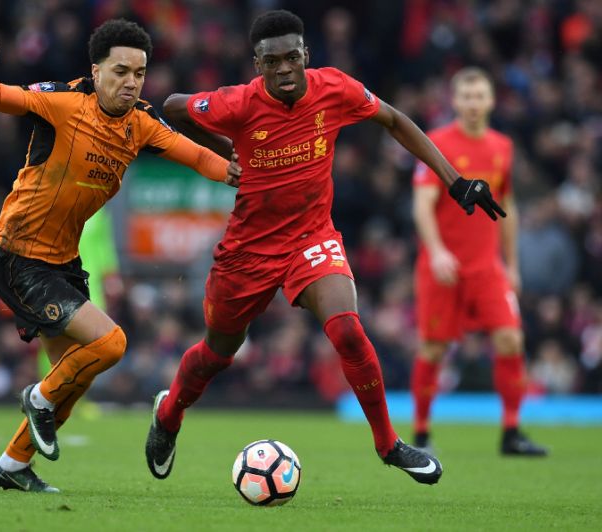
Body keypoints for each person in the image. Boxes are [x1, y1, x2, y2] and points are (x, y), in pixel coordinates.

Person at [145, 10, 505, 486]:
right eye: (272, 61)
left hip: (311, 237)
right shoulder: (237, 103)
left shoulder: (334, 87)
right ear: (258, 65)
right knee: (217, 353)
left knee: (348, 330)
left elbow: (394, 120)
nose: (284, 69)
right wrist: (219, 148)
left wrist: (455, 182)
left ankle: (388, 444)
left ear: (305, 55)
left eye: (292, 57)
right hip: (247, 251)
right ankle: (169, 414)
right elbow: (172, 106)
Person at [0, 19, 241, 493]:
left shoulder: (141, 123)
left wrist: (236, 174)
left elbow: (197, 156)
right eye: (120, 71)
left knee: (75, 377)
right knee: (110, 344)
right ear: (96, 71)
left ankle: (12, 465)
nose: (131, 82)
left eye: (139, 73)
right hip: (18, 252)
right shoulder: (62, 102)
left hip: (61, 261)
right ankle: (36, 398)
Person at [409, 67, 547, 456]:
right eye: (466, 96)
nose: (473, 103)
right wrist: (437, 251)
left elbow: (508, 207)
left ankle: (511, 432)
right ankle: (421, 435)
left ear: (491, 100)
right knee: (433, 349)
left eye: (479, 96)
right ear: (455, 101)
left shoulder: (503, 146)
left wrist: (512, 264)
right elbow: (422, 205)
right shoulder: (435, 144)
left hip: (487, 267)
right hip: (444, 268)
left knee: (511, 338)